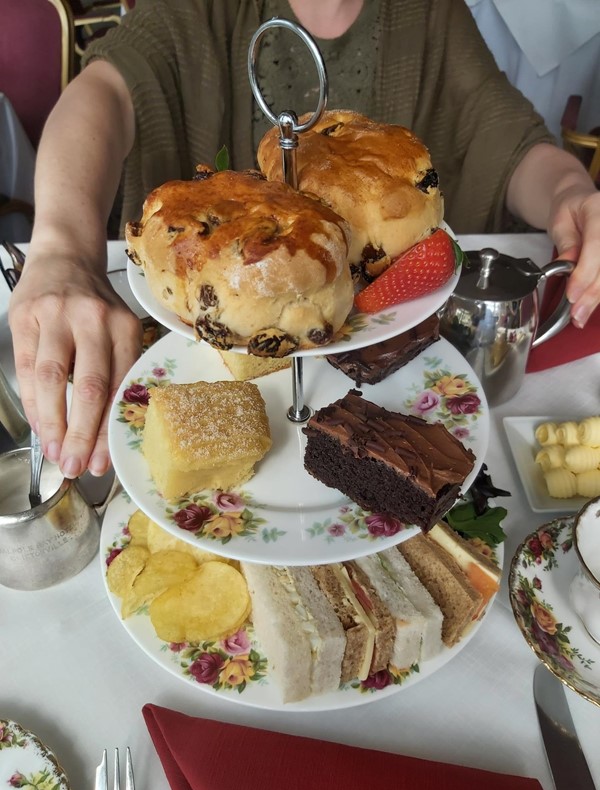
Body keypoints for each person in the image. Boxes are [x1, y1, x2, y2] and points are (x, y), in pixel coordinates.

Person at [8, 0, 600, 480]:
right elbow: (104, 91)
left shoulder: (430, 13)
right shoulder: (203, 10)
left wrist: (569, 192)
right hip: (208, 363)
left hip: (373, 372)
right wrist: (62, 246)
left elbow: (504, 131)